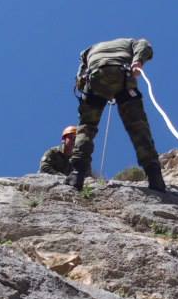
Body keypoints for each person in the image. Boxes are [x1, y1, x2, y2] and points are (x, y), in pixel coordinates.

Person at [66, 37, 166, 192]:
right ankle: (155, 176)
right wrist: (138, 61)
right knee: (137, 126)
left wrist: (92, 90)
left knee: (87, 126)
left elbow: (80, 79)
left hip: (95, 76)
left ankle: (77, 173)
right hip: (122, 75)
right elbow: (145, 45)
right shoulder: (131, 42)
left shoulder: (88, 51)